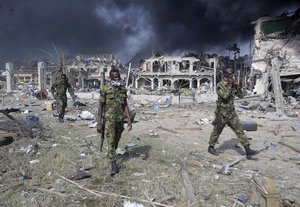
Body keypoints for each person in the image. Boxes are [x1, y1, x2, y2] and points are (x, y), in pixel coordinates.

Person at [208, 68, 257, 159]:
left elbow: (241, 95)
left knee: (240, 130)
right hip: (222, 114)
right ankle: (211, 147)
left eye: (232, 74)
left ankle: (247, 149)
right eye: (230, 74)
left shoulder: (232, 85)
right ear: (225, 75)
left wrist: (237, 86)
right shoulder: (220, 85)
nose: (232, 76)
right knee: (217, 131)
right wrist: (230, 86)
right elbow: (224, 96)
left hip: (231, 114)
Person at [97, 68, 132, 176]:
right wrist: (99, 122)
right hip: (109, 120)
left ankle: (111, 154)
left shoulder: (122, 88)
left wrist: (129, 120)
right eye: (115, 77)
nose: (118, 79)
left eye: (118, 77)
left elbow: (125, 104)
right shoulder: (105, 89)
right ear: (110, 78)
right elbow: (100, 106)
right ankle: (113, 165)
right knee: (110, 141)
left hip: (119, 120)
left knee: (116, 140)